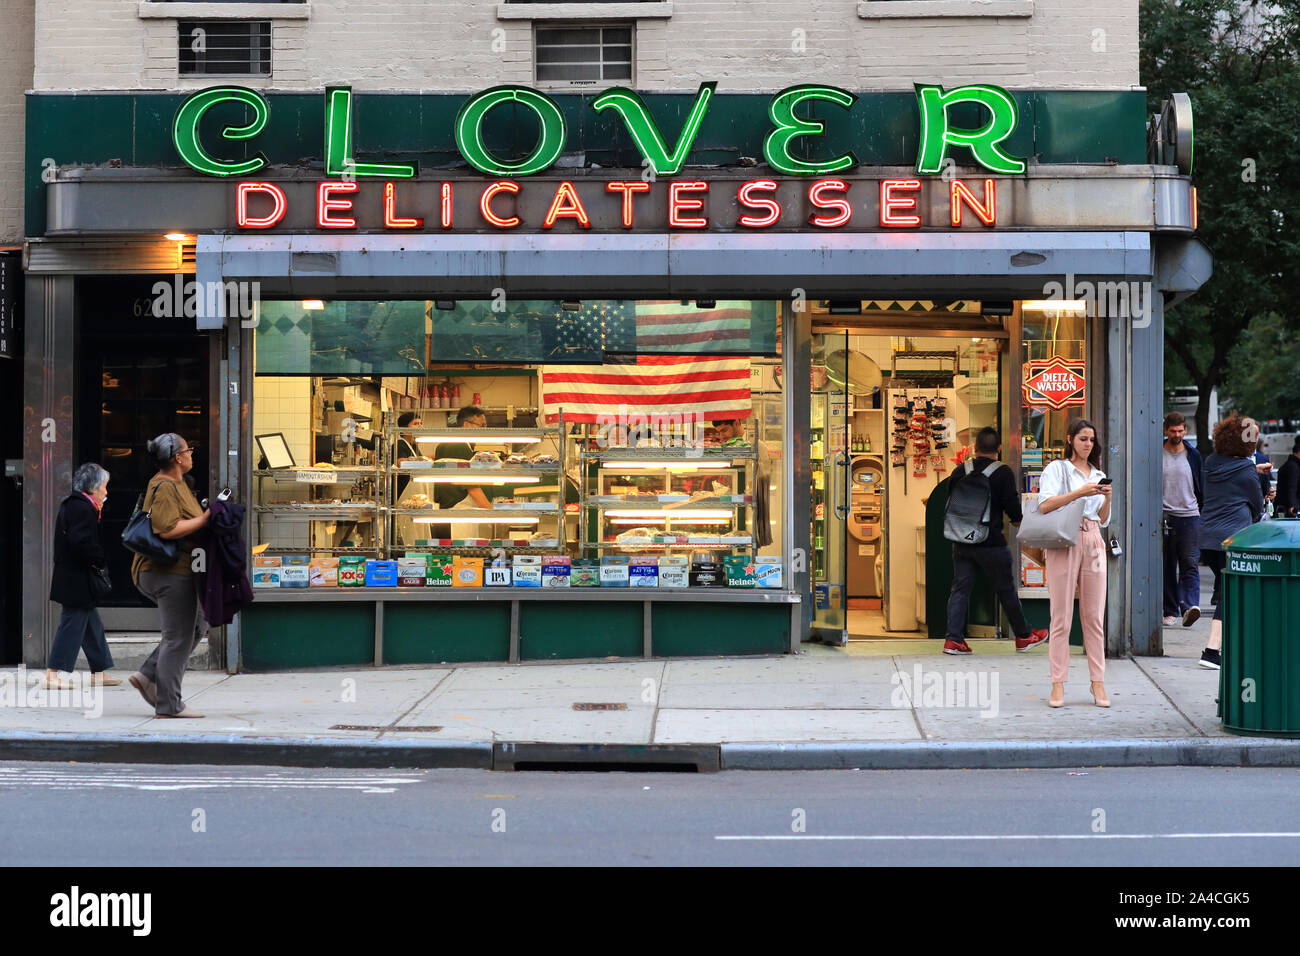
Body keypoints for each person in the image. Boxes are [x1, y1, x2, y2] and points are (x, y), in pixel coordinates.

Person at [942, 428, 1048, 656]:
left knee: (960, 588)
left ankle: (953, 640)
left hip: (961, 540)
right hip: (991, 543)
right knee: (1006, 589)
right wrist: (1026, 526)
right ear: (999, 449)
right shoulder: (1002, 473)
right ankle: (1023, 636)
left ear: (975, 448)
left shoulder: (961, 470)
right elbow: (1013, 511)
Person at [128, 433, 211, 718]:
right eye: (189, 449)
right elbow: (166, 529)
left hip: (177, 571)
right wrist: (204, 518)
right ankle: (169, 704)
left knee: (199, 623)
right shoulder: (163, 486)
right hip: (166, 572)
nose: (192, 454)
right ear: (177, 457)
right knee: (177, 637)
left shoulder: (179, 484)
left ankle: (148, 674)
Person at [1037, 419, 1112, 708]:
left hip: (1093, 538)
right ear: (1070, 439)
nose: (1087, 444)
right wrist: (1081, 492)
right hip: (1064, 539)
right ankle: (1058, 683)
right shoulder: (1057, 469)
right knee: (1061, 616)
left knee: (1094, 617)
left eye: (1091, 440)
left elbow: (1104, 519)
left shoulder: (1099, 473)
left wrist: (1106, 496)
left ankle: (1098, 682)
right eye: (1082, 438)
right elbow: (1045, 505)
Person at [1196, 415, 1265, 670]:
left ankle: (1226, 647)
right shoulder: (1246, 468)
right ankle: (1212, 651)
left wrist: (1253, 469)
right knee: (1230, 594)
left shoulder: (1211, 462)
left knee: (1227, 589)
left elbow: (1224, 483)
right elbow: (1257, 505)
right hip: (1234, 538)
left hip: (1207, 538)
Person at [44, 463, 120, 690]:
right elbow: (81, 542)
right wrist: (99, 560)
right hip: (77, 578)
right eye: (104, 487)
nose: (106, 492)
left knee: (91, 624)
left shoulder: (75, 504)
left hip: (73, 576)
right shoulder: (83, 508)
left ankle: (99, 670)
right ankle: (53, 672)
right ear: (94, 487)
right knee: (72, 623)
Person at [1161, 411, 1203, 628]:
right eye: (1173, 431)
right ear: (1166, 430)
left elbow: (1201, 484)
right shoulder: (1158, 452)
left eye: (1180, 431)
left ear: (1185, 430)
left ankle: (1189, 606)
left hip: (1190, 515)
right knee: (1167, 564)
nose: (1177, 435)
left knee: (1190, 563)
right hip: (1166, 515)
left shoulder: (1193, 455)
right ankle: (1170, 610)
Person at [429, 406, 492, 539]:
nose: (484, 430)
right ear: (466, 425)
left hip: (445, 514)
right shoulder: (459, 445)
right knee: (460, 558)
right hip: (457, 516)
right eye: (481, 426)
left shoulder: (445, 444)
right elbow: (470, 486)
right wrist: (492, 513)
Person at [1274, 436, 1300, 518]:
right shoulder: (1293, 466)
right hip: (1290, 510)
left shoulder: (1291, 464)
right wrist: (1292, 506)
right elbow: (1291, 487)